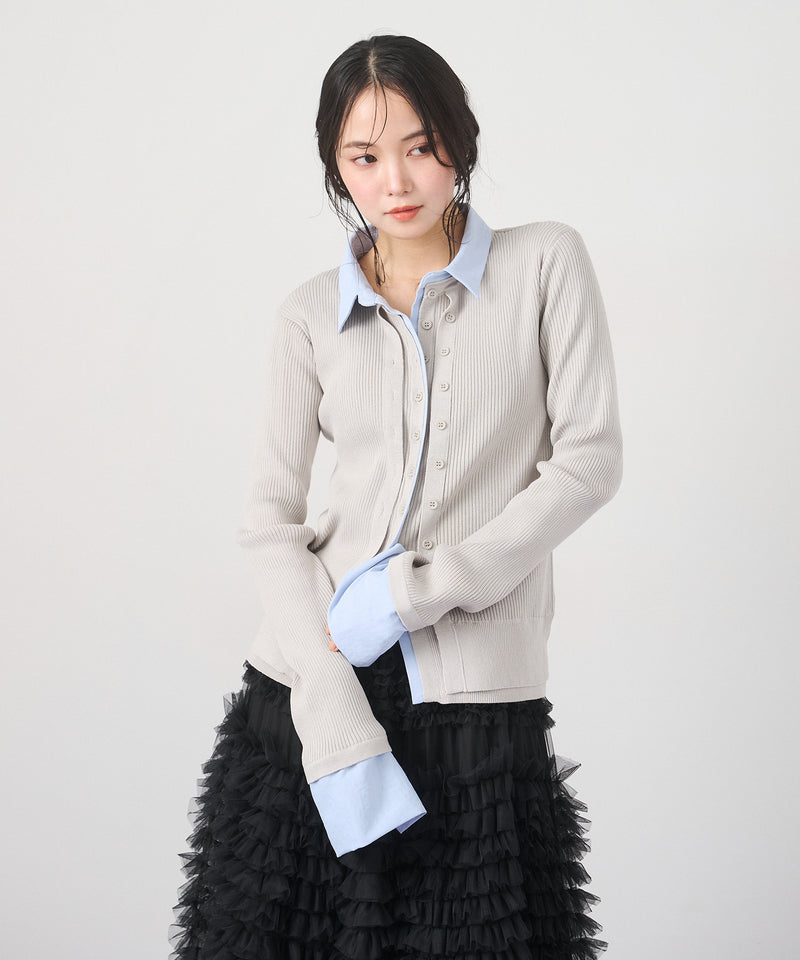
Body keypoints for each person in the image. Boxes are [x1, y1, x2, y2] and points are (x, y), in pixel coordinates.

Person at [170, 33, 622, 960]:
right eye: (364, 158)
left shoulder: (544, 263)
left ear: (460, 137)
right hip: (314, 684)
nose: (397, 181)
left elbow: (588, 460)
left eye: (421, 146)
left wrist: (421, 590)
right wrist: (326, 685)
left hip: (472, 700)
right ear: (336, 167)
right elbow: (268, 521)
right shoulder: (308, 314)